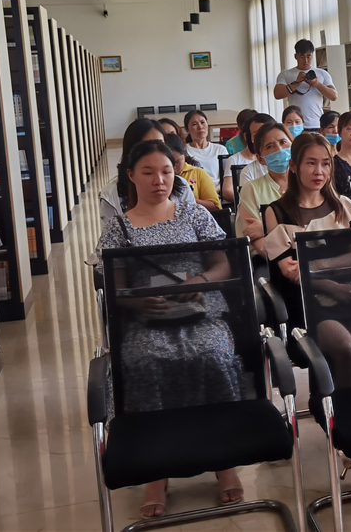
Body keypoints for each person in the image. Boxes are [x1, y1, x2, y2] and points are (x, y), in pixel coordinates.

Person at [95, 140, 245, 519]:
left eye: (165, 171)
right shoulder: (119, 227)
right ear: (131, 176)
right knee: (145, 362)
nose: (159, 180)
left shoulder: (194, 214)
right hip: (147, 317)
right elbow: (114, 284)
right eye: (148, 173)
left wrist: (202, 280)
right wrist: (136, 301)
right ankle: (156, 470)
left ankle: (224, 460)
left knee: (213, 354)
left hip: (201, 310)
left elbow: (222, 264)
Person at [263, 132, 351, 483]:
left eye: (326, 164)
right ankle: (346, 437)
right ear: (294, 166)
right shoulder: (276, 211)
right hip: (306, 303)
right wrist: (329, 281)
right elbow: (288, 272)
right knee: (344, 346)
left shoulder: (343, 205)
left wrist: (313, 265)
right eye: (311, 163)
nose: (319, 171)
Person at [99, 118, 195, 226]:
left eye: (160, 144)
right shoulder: (110, 196)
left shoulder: (181, 187)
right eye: (146, 146)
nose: (155, 150)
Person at [237, 122, 292, 255]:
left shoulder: (307, 183)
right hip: (267, 259)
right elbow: (255, 237)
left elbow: (315, 226)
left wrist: (266, 227)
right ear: (261, 159)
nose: (279, 149)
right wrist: (284, 261)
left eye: (283, 142)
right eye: (270, 146)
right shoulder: (251, 189)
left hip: (307, 254)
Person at [273, 39, 337, 130]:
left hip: (316, 123)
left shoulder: (322, 73)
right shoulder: (286, 74)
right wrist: (296, 83)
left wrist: (318, 84)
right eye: (302, 57)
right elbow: (277, 94)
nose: (306, 60)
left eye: (308, 56)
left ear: (312, 56)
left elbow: (334, 96)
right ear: (295, 56)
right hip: (295, 125)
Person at [222, 113, 275, 204]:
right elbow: (227, 191)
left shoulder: (282, 161)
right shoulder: (245, 168)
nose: (263, 138)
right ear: (247, 136)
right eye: (257, 134)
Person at [164, 133, 222, 211]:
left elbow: (215, 206)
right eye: (169, 163)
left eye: (178, 161)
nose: (174, 166)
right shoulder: (158, 179)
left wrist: (188, 198)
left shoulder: (198, 173)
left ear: (184, 155)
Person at [184, 110, 228, 190]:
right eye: (194, 124)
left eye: (202, 122)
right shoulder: (184, 151)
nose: (200, 127)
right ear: (187, 130)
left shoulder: (220, 149)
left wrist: (213, 191)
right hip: (194, 193)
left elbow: (227, 178)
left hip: (217, 192)